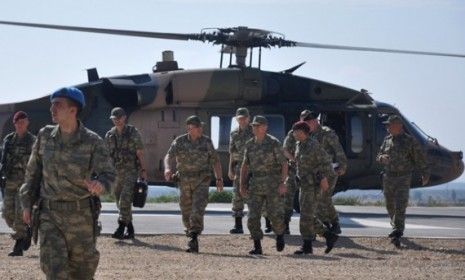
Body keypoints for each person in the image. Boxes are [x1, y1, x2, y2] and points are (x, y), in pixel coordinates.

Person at [19, 87, 115, 279]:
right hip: (49, 215)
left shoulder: (92, 141)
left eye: (58, 105)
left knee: (82, 274)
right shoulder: (45, 136)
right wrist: (26, 204)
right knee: (55, 272)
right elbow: (32, 173)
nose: (52, 109)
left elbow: (109, 174)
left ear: (73, 110)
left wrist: (100, 185)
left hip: (81, 217)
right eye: (52, 104)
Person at [164, 115, 223, 253]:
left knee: (198, 209)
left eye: (200, 127)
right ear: (190, 128)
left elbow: (215, 161)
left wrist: (219, 179)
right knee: (186, 210)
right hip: (184, 181)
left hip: (202, 180)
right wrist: (167, 168)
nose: (200, 129)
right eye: (197, 127)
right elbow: (168, 155)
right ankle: (190, 232)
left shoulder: (207, 142)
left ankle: (194, 238)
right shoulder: (180, 141)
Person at [376, 114, 429, 247]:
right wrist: (382, 158)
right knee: (389, 205)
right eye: (387, 125)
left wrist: (425, 173)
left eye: (389, 125)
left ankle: (397, 231)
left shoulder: (409, 141)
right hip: (388, 177)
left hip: (403, 177)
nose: (387, 127)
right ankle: (396, 228)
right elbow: (379, 155)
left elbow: (419, 158)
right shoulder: (387, 140)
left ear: (398, 126)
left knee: (400, 205)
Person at [239, 115, 288, 255]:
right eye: (253, 125)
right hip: (255, 185)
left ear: (265, 127)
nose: (253, 128)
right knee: (252, 217)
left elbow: (284, 164)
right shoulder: (249, 144)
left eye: (257, 125)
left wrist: (282, 183)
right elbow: (244, 166)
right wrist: (242, 185)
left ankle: (279, 235)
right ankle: (257, 246)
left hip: (272, 185)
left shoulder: (273, 143)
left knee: (274, 216)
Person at [292, 121, 339, 254]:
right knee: (306, 215)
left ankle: (314, 242)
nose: (294, 134)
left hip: (313, 185)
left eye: (296, 131)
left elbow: (325, 163)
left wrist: (323, 178)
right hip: (303, 184)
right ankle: (326, 237)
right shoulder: (298, 145)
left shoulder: (313, 145)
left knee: (307, 215)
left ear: (303, 132)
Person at [301, 110, 347, 234]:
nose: (306, 125)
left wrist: (342, 166)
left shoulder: (327, 133)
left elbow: (339, 150)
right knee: (317, 199)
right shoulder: (307, 135)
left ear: (314, 121)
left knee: (324, 198)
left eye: (308, 123)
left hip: (329, 171)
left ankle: (334, 223)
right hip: (315, 172)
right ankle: (325, 225)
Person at [105, 107, 147, 239]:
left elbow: (139, 153)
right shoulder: (109, 135)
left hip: (130, 171)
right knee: (119, 201)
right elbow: (106, 155)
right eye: (113, 119)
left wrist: (143, 170)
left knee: (125, 199)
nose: (116, 121)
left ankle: (121, 227)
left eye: (118, 118)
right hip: (115, 172)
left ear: (124, 118)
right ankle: (130, 229)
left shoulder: (133, 132)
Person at [0, 111, 35, 256]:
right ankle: (27, 231)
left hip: (24, 183)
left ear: (27, 123)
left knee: (19, 212)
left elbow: (37, 163)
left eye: (23, 122)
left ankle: (19, 244)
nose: (21, 125)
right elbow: (3, 160)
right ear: (14, 124)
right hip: (9, 181)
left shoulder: (32, 140)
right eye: (18, 123)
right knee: (7, 214)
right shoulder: (8, 140)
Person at [228, 107, 253, 234]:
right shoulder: (234, 134)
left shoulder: (255, 131)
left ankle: (263, 224)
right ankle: (238, 226)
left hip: (253, 168)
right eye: (240, 118)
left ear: (248, 118)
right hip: (238, 168)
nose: (242, 120)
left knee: (254, 197)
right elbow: (232, 152)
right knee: (237, 196)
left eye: (244, 118)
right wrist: (230, 170)